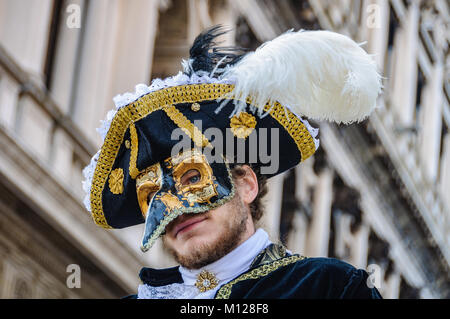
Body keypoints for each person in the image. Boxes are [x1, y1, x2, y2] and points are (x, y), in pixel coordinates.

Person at [82, 26, 383, 299]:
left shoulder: (329, 289)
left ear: (247, 184)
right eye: (152, 196)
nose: (172, 208)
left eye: (191, 178)